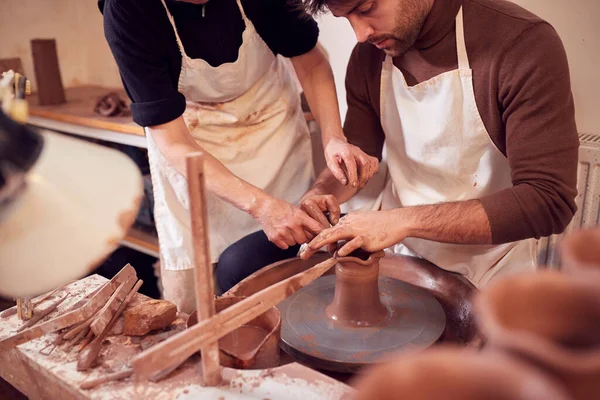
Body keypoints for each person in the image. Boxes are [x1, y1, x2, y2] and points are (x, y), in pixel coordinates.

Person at [99, 0, 378, 311]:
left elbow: (311, 63)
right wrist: (261, 206)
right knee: (196, 300)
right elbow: (175, 142)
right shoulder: (128, 11)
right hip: (191, 142)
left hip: (270, 128)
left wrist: (333, 139)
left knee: (291, 262)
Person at [299, 0, 579, 287]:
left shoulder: (522, 44)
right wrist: (321, 192)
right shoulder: (368, 56)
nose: (360, 34)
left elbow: (548, 200)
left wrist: (401, 221)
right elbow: (360, 154)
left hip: (491, 269)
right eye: (345, 18)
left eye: (367, 7)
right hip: (399, 254)